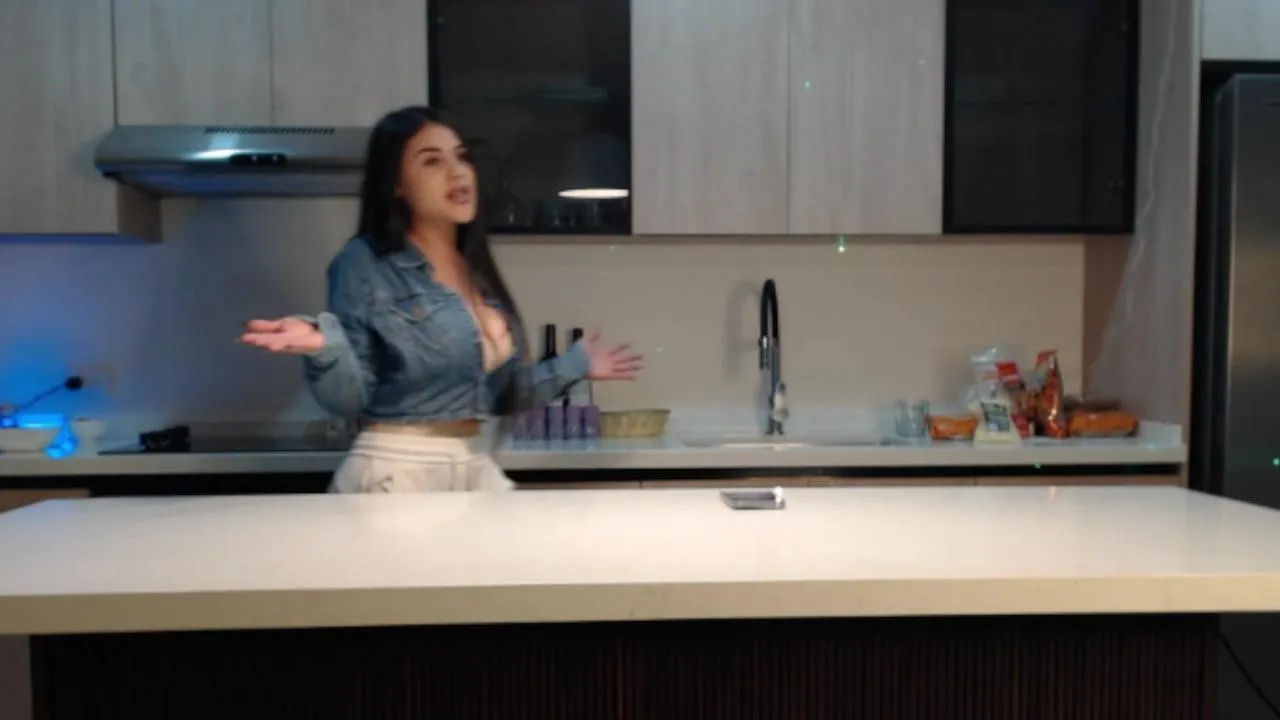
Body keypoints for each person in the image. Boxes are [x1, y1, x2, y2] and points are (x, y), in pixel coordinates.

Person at [239, 106, 642, 493]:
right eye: (432, 161)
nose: (457, 171)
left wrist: (574, 365)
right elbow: (351, 398)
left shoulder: (473, 270)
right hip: (398, 471)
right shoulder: (365, 262)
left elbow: (497, 395)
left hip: (474, 464)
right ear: (396, 185)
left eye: (461, 157)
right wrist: (324, 345)